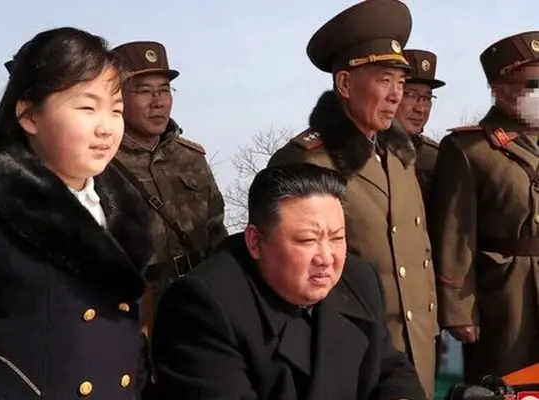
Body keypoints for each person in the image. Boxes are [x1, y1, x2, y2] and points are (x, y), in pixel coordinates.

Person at [0, 27, 154, 399]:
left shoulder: (124, 211)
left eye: (116, 110)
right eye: (87, 107)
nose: (106, 127)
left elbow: (130, 355)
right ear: (29, 115)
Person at [267, 0, 437, 397]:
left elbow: (420, 252)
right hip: (348, 349)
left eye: (401, 82)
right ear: (344, 84)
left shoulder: (400, 157)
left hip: (416, 344)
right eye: (384, 80)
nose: (396, 95)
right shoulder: (308, 161)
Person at [152, 163, 426, 400]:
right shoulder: (203, 305)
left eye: (337, 238)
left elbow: (389, 367)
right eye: (307, 240)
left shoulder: (358, 279)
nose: (326, 258)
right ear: (255, 242)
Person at [429, 30, 539, 383]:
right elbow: (454, 233)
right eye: (533, 84)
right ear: (501, 89)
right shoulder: (469, 148)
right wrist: (459, 309)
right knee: (509, 383)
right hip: (505, 292)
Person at [111, 41, 228, 310]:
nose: (158, 102)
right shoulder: (103, 162)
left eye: (164, 90)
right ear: (117, 97)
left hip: (200, 297)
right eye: (144, 91)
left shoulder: (190, 157)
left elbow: (217, 232)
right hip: (136, 307)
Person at [395, 49, 446, 201]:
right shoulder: (366, 150)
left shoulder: (436, 159)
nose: (420, 108)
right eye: (411, 95)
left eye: (427, 98)